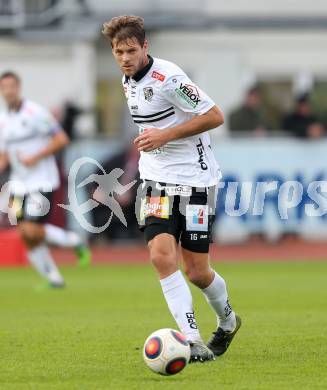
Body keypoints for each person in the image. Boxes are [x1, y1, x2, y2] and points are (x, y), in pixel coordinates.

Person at [102, 15, 241, 362]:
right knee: (160, 256)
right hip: (155, 184)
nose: (125, 58)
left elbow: (214, 115)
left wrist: (164, 135)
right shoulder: (127, 79)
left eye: (131, 50)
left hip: (195, 183)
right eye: (119, 51)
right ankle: (192, 341)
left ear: (145, 47)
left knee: (197, 271)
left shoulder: (169, 77)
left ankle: (227, 321)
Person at [0, 71, 91, 288]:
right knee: (25, 234)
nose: (9, 91)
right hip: (18, 184)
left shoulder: (35, 113)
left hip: (41, 181)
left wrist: (35, 157)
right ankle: (54, 279)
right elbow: (4, 156)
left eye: (12, 86)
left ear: (18, 88)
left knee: (31, 229)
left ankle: (74, 241)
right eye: (5, 87)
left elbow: (61, 139)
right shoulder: (3, 121)